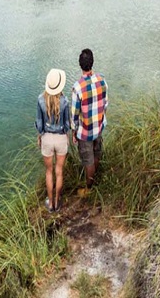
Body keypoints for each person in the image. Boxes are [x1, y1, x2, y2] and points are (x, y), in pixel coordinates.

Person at [70, 48, 107, 197]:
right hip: (99, 126)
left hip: (85, 131)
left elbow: (74, 114)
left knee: (88, 161)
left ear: (80, 65)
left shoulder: (77, 87)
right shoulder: (102, 80)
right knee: (96, 153)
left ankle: (89, 189)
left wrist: (74, 131)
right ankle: (95, 180)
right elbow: (105, 103)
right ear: (92, 63)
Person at [36, 68, 70, 212]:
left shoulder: (40, 100)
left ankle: (51, 204)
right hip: (61, 138)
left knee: (49, 172)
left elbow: (39, 123)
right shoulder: (65, 101)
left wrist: (40, 135)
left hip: (47, 139)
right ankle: (57, 201)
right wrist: (66, 135)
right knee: (59, 172)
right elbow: (67, 124)